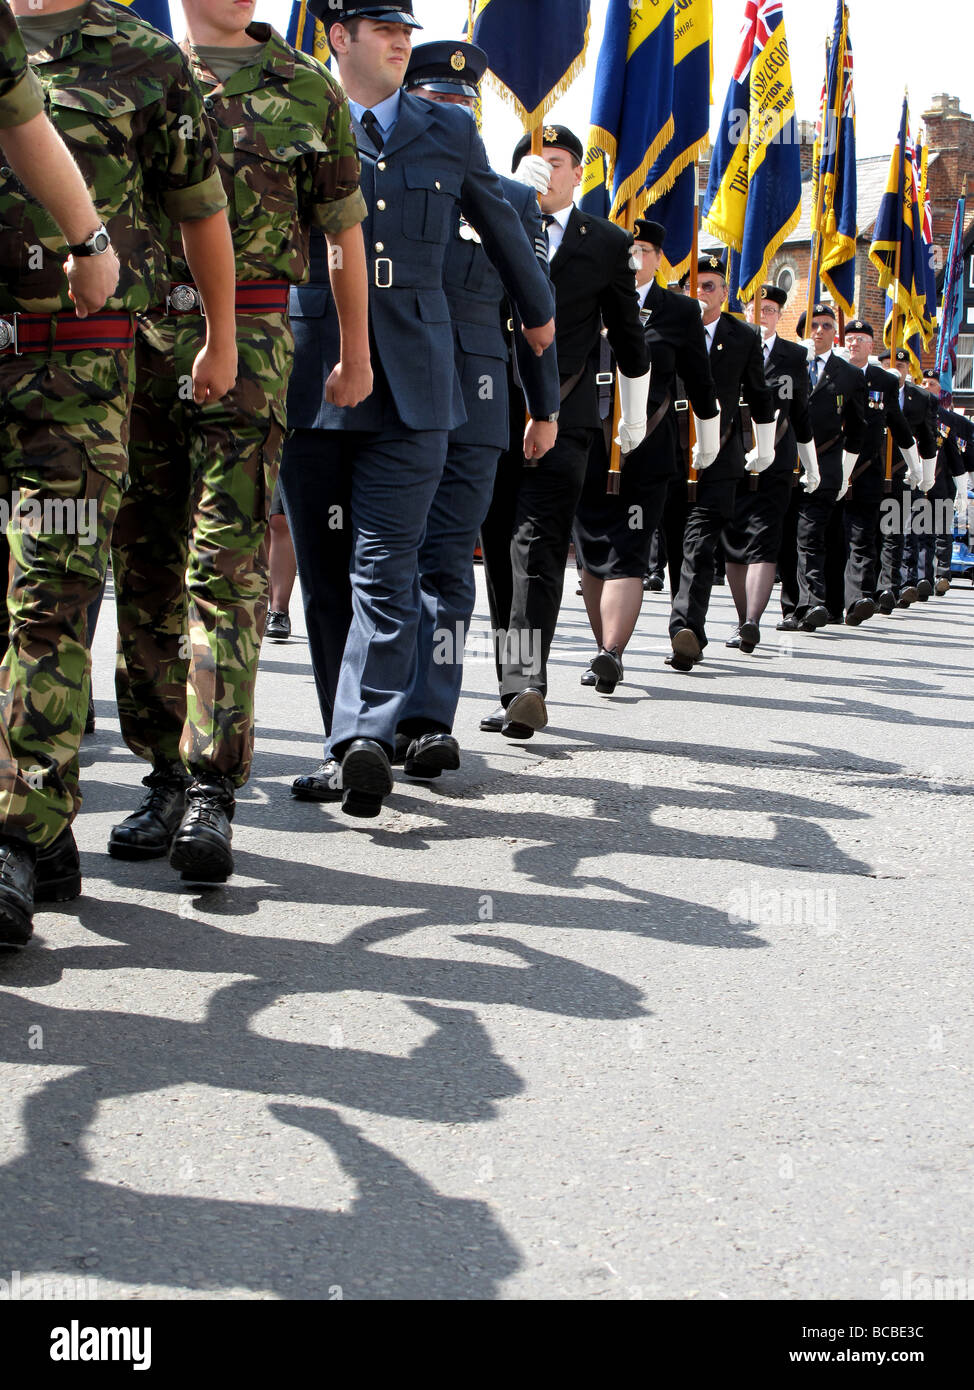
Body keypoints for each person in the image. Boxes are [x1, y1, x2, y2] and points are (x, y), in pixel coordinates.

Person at [107, 0, 369, 879]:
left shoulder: (305, 86)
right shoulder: (133, 72)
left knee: (225, 565)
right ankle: (161, 774)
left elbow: (343, 233)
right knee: (142, 563)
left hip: (252, 339)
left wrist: (356, 354)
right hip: (136, 342)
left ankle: (214, 786)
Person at [279, 1, 555, 817]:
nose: (401, 40)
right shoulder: (294, 116)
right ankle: (348, 737)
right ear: (339, 37)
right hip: (316, 374)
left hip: (419, 381)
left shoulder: (447, 134)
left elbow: (504, 231)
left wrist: (539, 318)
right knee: (327, 578)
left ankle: (372, 732)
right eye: (383, 29)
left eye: (406, 28)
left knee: (389, 567)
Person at [0, 0, 234, 945]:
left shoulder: (145, 59)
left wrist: (219, 335)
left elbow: (199, 207)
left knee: (47, 595)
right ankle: (46, 823)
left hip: (77, 369)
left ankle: (15, 838)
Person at [387, 38, 559, 774]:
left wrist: (544, 407)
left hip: (479, 405)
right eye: (437, 100)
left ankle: (431, 716)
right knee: (389, 560)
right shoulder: (384, 179)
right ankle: (376, 712)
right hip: (394, 396)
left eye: (464, 103)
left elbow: (536, 317)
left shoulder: (515, 200)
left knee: (449, 564)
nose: (453, 112)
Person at [479, 123, 649, 733]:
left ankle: (525, 683)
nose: (545, 173)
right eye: (532, 163)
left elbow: (630, 339)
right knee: (499, 545)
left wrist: (634, 414)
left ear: (580, 173)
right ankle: (512, 684)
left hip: (567, 416)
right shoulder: (488, 226)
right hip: (489, 413)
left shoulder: (604, 242)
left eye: (556, 162)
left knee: (537, 545)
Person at [572, 218, 717, 691]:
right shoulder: (588, 295)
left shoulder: (677, 311)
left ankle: (612, 650)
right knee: (593, 554)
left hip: (647, 454)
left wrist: (708, 430)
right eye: (627, 249)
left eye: (644, 250)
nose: (634, 258)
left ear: (659, 257)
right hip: (589, 446)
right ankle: (601, 651)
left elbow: (700, 379)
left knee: (628, 552)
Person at [666, 254, 774, 671]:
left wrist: (763, 445)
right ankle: (683, 627)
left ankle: (686, 629)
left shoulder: (743, 336)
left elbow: (760, 395)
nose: (700, 293)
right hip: (672, 453)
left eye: (709, 285)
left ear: (725, 293)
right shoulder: (669, 326)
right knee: (677, 543)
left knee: (699, 543)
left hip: (721, 456)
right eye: (693, 285)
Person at [723, 284, 817, 652]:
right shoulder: (729, 344)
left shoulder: (794, 356)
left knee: (764, 539)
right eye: (756, 308)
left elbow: (801, 413)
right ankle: (741, 617)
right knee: (733, 541)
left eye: (770, 310)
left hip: (776, 459)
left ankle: (751, 621)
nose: (762, 315)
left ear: (779, 316)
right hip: (733, 454)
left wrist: (809, 464)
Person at [781, 304, 865, 633]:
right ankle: (791, 608)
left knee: (810, 535)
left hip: (827, 464)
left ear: (835, 333)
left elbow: (857, 429)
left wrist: (845, 471)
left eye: (826, 325)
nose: (819, 330)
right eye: (812, 325)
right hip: (789, 463)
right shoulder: (789, 365)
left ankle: (812, 602)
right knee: (788, 538)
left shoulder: (849, 375)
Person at [839, 320, 918, 624]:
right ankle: (825, 602)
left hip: (866, 471)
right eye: (850, 338)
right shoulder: (833, 372)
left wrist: (914, 464)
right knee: (831, 538)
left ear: (871, 346)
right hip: (832, 470)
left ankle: (858, 599)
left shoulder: (883, 381)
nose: (854, 343)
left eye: (860, 339)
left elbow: (897, 424)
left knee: (862, 537)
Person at [875, 347, 935, 610]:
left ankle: (889, 588)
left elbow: (928, 437)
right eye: (887, 364)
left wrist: (924, 470)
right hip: (871, 468)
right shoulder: (869, 388)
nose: (893, 370)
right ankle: (870, 587)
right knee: (869, 533)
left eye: (899, 366)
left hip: (903, 471)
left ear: (908, 369)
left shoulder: (920, 397)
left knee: (894, 531)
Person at [265, 488, 298, 641]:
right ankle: (254, 609)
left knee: (280, 517)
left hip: (281, 464)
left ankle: (278, 611)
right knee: (255, 519)